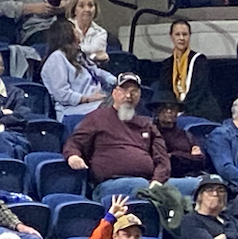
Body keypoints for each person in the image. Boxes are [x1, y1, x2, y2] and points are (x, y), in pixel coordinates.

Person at [63, 76, 184, 226]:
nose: (128, 96)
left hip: (150, 184)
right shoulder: (97, 118)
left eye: (134, 92)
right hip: (111, 184)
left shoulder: (146, 124)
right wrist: (73, 156)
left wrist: (157, 182)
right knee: (142, 186)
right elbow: (74, 142)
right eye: (124, 91)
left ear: (139, 96)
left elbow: (162, 160)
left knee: (197, 185)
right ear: (114, 93)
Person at [40, 18, 113, 122]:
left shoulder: (78, 55)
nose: (79, 31)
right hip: (74, 111)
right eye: (75, 28)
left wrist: (117, 80)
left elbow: (97, 72)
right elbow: (62, 94)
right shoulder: (56, 58)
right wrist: (88, 98)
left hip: (97, 102)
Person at [153, 18, 215, 119]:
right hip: (174, 112)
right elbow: (165, 91)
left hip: (197, 111)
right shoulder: (167, 64)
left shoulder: (199, 61)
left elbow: (198, 91)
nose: (181, 38)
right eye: (177, 34)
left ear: (189, 36)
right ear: (171, 36)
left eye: (185, 34)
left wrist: (183, 112)